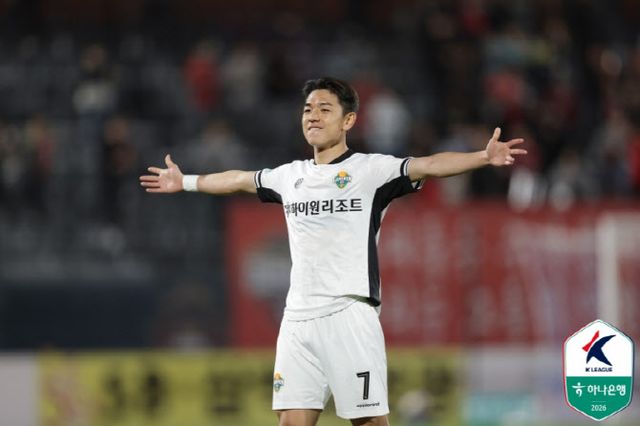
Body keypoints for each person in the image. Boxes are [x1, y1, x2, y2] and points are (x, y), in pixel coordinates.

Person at [139, 77, 526, 426]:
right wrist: (185, 181)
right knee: (291, 421)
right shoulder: (290, 176)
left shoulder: (371, 171)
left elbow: (429, 165)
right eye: (308, 109)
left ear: (348, 120)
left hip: (348, 312)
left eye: (325, 109)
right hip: (297, 318)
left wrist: (482, 157)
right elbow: (238, 179)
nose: (313, 116)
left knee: (368, 421)